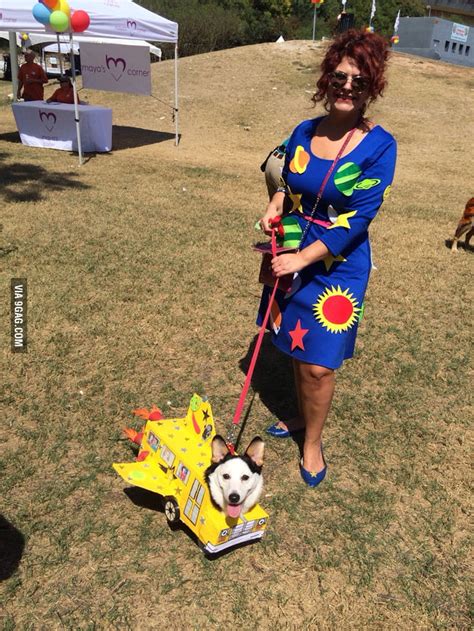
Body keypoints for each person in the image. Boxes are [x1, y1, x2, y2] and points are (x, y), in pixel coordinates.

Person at [257, 29, 397, 487]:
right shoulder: (303, 130)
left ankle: (312, 441)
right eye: (340, 77)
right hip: (291, 248)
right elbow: (285, 176)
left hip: (336, 265)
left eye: (359, 80)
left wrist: (303, 261)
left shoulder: (380, 146)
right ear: (327, 78)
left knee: (319, 364)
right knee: (296, 348)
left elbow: (357, 218)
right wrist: (277, 202)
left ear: (371, 87)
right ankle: (301, 417)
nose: (347, 87)